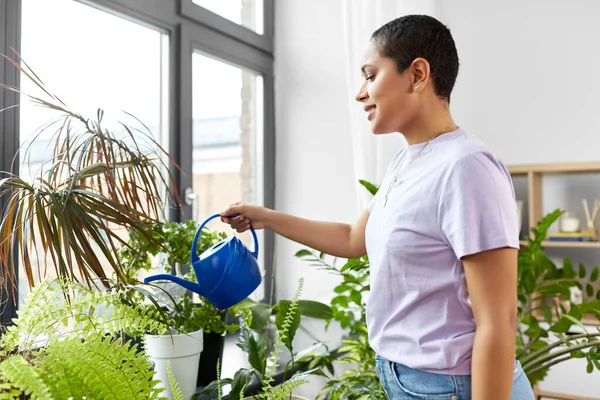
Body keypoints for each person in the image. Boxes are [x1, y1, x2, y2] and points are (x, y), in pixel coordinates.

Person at [220, 14, 535, 400]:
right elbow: (355, 238)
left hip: (454, 387)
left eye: (370, 75)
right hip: (411, 382)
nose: (360, 92)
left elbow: (497, 322)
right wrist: (264, 217)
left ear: (418, 74)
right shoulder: (405, 163)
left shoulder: (466, 167)